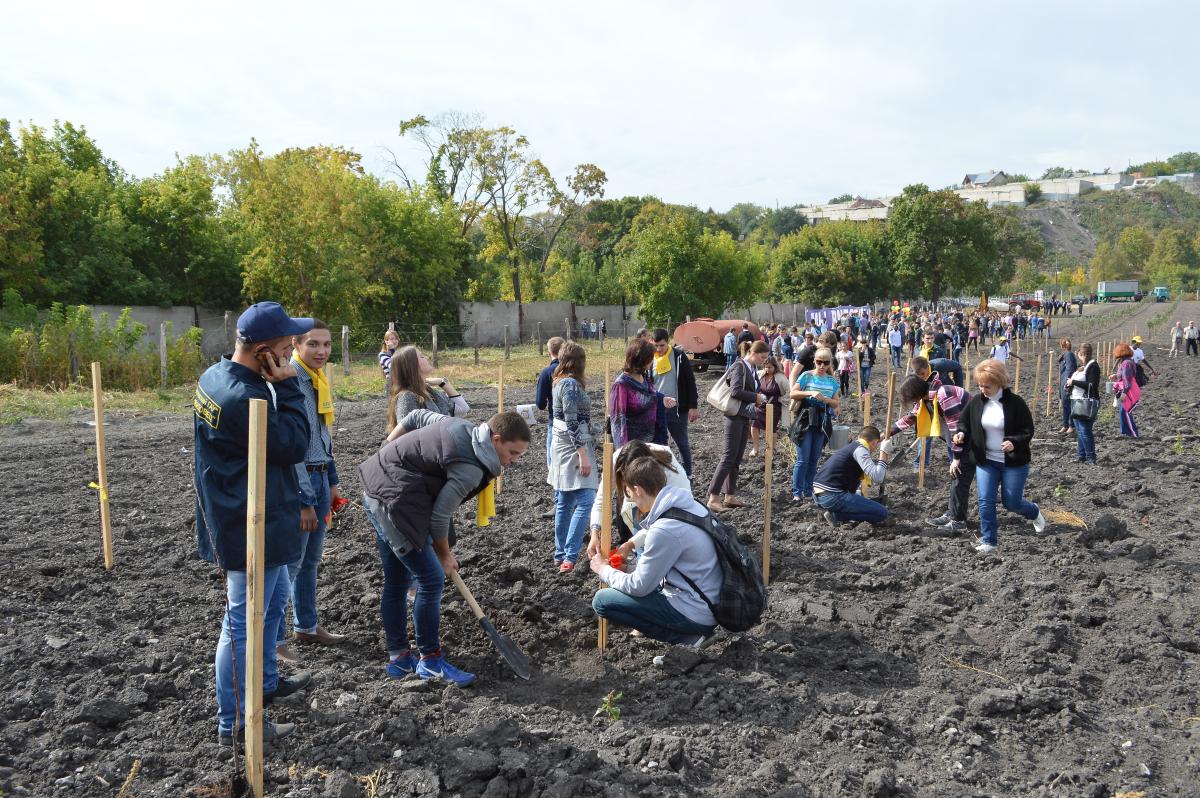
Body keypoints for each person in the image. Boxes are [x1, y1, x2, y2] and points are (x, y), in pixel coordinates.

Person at [194, 301, 315, 747]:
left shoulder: (216, 375)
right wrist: (292, 387)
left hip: (261, 512)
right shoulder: (247, 398)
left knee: (275, 601)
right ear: (264, 351)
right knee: (243, 621)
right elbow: (296, 444)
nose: (291, 353)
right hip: (247, 524)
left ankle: (264, 683)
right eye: (286, 347)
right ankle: (235, 723)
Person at [360, 409, 531, 687]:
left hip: (376, 483)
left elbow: (415, 417)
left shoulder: (459, 427)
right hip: (394, 502)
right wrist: (444, 555)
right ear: (496, 439)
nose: (512, 461)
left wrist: (387, 450)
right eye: (512, 453)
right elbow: (440, 517)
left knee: (398, 580)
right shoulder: (471, 470)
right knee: (430, 579)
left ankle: (400, 659)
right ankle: (430, 662)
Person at [588, 457, 720, 647]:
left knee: (602, 600)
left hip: (696, 611)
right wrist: (629, 563)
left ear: (638, 489)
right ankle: (691, 634)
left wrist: (603, 570)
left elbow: (640, 586)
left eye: (630, 495)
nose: (631, 501)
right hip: (711, 601)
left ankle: (686, 638)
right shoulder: (691, 506)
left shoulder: (664, 530)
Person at [276, 320, 345, 664]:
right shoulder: (290, 382)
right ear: (297, 346)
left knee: (311, 560)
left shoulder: (318, 381)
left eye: (327, 344)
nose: (322, 351)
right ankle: (275, 640)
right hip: (300, 483)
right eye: (313, 345)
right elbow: (293, 448)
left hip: (319, 479)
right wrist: (304, 500)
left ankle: (306, 625)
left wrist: (332, 479)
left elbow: (322, 435)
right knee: (290, 562)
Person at [953, 359, 1046, 555]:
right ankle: (989, 541)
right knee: (985, 500)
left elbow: (1028, 430)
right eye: (980, 385)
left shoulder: (1016, 403)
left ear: (999, 383)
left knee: (1011, 503)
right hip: (986, 461)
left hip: (1013, 462)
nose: (983, 389)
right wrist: (961, 433)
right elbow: (964, 423)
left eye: (987, 386)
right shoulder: (976, 403)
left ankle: (1034, 512)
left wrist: (1014, 441)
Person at [887, 375, 971, 534]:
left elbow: (956, 428)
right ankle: (953, 513)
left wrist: (957, 458)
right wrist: (887, 433)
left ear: (916, 393)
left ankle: (958, 521)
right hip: (959, 439)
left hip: (971, 439)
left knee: (959, 478)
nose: (911, 402)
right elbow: (911, 418)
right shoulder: (925, 400)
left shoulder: (943, 394)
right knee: (956, 478)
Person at [589, 440, 690, 556]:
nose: (627, 488)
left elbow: (670, 521)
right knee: (642, 549)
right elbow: (602, 500)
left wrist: (632, 543)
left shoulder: (669, 474)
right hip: (640, 506)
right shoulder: (618, 461)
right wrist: (595, 533)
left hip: (671, 519)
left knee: (656, 547)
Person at [548, 343, 598, 572]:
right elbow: (571, 420)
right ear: (579, 361)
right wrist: (582, 454)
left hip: (563, 444)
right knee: (586, 499)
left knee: (565, 501)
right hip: (572, 447)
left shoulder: (559, 381)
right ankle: (569, 554)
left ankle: (561, 555)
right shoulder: (569, 385)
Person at [707, 340, 768, 513]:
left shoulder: (752, 368)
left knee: (736, 459)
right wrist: (755, 397)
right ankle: (713, 497)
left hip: (744, 416)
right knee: (728, 457)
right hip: (733, 416)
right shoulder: (739, 366)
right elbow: (734, 391)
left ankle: (730, 496)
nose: (764, 360)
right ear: (753, 353)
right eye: (762, 357)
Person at [813, 425, 891, 527]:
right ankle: (836, 515)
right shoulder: (861, 450)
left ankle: (836, 513)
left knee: (858, 495)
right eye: (876, 444)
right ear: (874, 442)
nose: (876, 448)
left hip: (818, 494)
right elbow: (878, 477)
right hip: (832, 496)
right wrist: (883, 453)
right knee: (882, 513)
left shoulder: (853, 446)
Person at [790, 346, 840, 502]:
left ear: (830, 363)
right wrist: (810, 393)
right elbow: (793, 393)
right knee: (802, 459)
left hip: (822, 421)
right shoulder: (806, 376)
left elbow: (836, 404)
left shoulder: (832, 381)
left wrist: (826, 399)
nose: (822, 366)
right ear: (814, 361)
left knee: (814, 459)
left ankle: (808, 490)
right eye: (819, 362)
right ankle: (797, 492)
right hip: (805, 419)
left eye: (825, 362)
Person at [650, 328, 699, 479]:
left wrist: (693, 405)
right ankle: (661, 477)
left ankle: (688, 475)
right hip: (658, 408)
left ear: (668, 342)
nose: (659, 349)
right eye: (656, 346)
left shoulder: (679, 356)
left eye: (662, 345)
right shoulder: (649, 359)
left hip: (677, 410)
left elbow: (690, 381)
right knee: (659, 445)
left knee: (682, 443)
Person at [386, 346, 468, 434]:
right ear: (412, 365)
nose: (427, 357)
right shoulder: (407, 397)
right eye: (421, 356)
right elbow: (406, 437)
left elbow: (463, 409)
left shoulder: (429, 391)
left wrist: (443, 383)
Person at [610, 339, 667, 448]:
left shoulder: (643, 377)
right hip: (632, 448)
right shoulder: (621, 385)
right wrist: (624, 452)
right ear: (641, 360)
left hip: (651, 443)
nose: (652, 362)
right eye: (650, 359)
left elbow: (651, 396)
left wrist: (663, 399)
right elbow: (618, 422)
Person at [1068, 343, 1100, 464]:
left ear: (1081, 354)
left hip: (1086, 402)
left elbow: (1092, 386)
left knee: (1085, 430)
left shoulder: (1093, 367)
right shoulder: (1084, 367)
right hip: (1076, 400)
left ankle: (1091, 457)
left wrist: (1074, 382)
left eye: (1079, 354)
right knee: (1080, 430)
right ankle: (1081, 456)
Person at [749, 355, 784, 457]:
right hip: (760, 405)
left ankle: (771, 449)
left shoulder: (780, 378)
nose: (767, 369)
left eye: (770, 367)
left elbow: (787, 392)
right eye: (766, 367)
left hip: (774, 407)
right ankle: (755, 448)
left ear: (775, 367)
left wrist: (782, 400)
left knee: (771, 428)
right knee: (754, 425)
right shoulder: (761, 375)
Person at [1110, 343, 1141, 437]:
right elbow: (1124, 376)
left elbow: (1127, 379)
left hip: (1129, 391)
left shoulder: (1126, 363)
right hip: (1128, 390)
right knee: (1123, 411)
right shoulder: (1125, 362)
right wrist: (1116, 376)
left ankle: (1133, 433)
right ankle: (1125, 432)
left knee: (1126, 411)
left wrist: (1124, 393)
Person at [1055, 339, 1079, 435]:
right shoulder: (1066, 355)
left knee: (1069, 405)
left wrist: (1068, 382)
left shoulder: (1068, 355)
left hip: (1067, 382)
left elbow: (1070, 369)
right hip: (1064, 381)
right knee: (1065, 404)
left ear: (1062, 346)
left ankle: (1071, 425)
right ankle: (1065, 425)